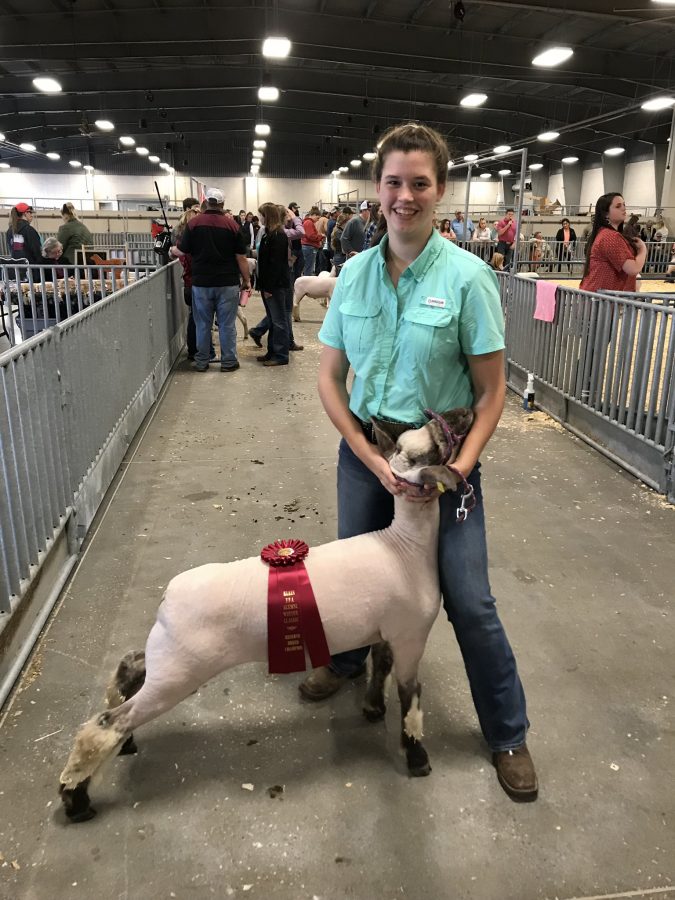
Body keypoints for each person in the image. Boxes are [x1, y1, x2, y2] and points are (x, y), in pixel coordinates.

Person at [297, 121, 537, 803]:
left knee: (468, 597)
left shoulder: (468, 279)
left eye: (419, 183)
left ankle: (507, 732)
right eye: (394, 182)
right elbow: (328, 378)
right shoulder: (353, 278)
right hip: (369, 453)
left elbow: (491, 394)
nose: (405, 196)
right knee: (349, 571)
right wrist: (366, 456)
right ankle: (345, 663)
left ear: (440, 189)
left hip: (442, 465)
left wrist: (457, 470)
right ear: (377, 189)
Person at [178, 187, 250, 372]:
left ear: (206, 202)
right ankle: (228, 362)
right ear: (222, 204)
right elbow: (241, 257)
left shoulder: (194, 224)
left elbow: (183, 250)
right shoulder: (232, 225)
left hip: (201, 283)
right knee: (226, 325)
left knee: (203, 324)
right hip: (227, 283)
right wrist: (247, 280)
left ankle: (202, 362)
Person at [579, 193, 646, 293]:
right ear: (606, 213)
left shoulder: (604, 233)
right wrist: (642, 249)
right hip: (600, 300)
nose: (623, 208)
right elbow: (633, 268)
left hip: (599, 298)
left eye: (624, 205)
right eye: (618, 206)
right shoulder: (610, 236)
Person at [255, 202, 292, 367]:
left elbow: (276, 264)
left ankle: (281, 355)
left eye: (262, 215)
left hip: (275, 285)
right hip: (268, 285)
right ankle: (272, 351)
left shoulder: (278, 235)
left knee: (279, 321)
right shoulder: (268, 234)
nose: (260, 218)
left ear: (268, 216)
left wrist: (269, 287)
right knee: (272, 319)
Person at [7, 202, 42, 266]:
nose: (32, 215)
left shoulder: (10, 231)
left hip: (17, 269)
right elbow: (36, 251)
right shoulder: (29, 230)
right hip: (31, 269)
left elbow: (16, 251)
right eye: (30, 212)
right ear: (25, 213)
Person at [301, 206, 324, 275]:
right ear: (313, 215)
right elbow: (311, 236)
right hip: (309, 247)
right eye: (317, 218)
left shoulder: (308, 222)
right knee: (309, 267)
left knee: (308, 266)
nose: (318, 220)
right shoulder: (309, 223)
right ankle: (307, 283)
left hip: (308, 247)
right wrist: (320, 236)